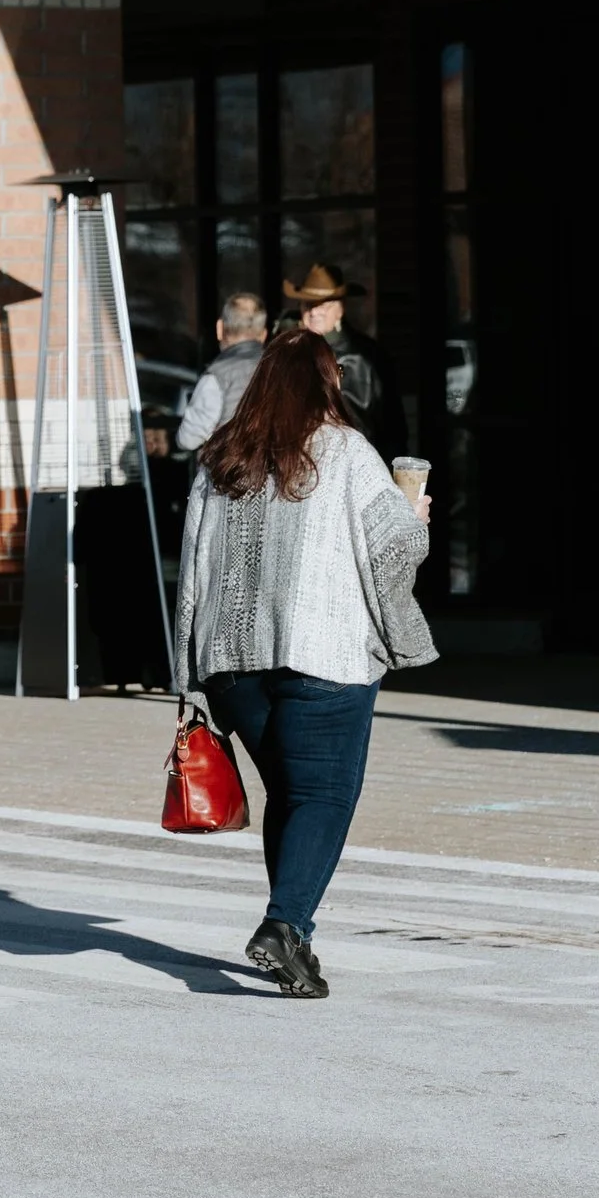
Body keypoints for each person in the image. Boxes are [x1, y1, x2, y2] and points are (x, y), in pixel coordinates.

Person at [172, 325, 436, 999]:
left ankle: (296, 943)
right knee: (322, 794)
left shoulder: (217, 459)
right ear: (328, 386)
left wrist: (189, 677)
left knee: (290, 795)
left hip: (232, 665)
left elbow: (191, 575)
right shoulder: (347, 452)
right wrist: (417, 518)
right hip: (324, 655)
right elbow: (391, 552)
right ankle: (284, 927)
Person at [277, 260, 406, 456]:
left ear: (341, 308)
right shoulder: (289, 353)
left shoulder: (367, 357)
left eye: (323, 305)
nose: (314, 311)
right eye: (308, 304)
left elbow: (391, 428)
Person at [173, 289, 269, 454]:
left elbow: (188, 439)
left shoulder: (217, 376)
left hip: (227, 473)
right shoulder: (281, 368)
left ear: (220, 328)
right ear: (264, 334)